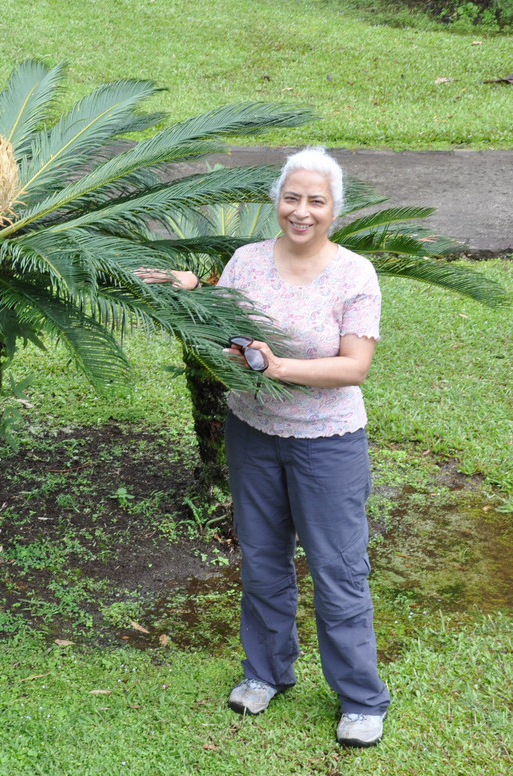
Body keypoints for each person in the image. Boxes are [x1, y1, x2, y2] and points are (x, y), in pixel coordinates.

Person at [137, 147, 390, 748]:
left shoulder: (355, 273)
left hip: (326, 445)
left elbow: (354, 367)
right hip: (252, 433)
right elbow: (232, 307)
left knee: (338, 571)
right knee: (262, 560)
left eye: (315, 201)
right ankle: (267, 672)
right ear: (277, 201)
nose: (300, 211)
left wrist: (279, 368)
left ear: (335, 210)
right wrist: (194, 286)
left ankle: (360, 699)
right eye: (291, 198)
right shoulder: (249, 259)